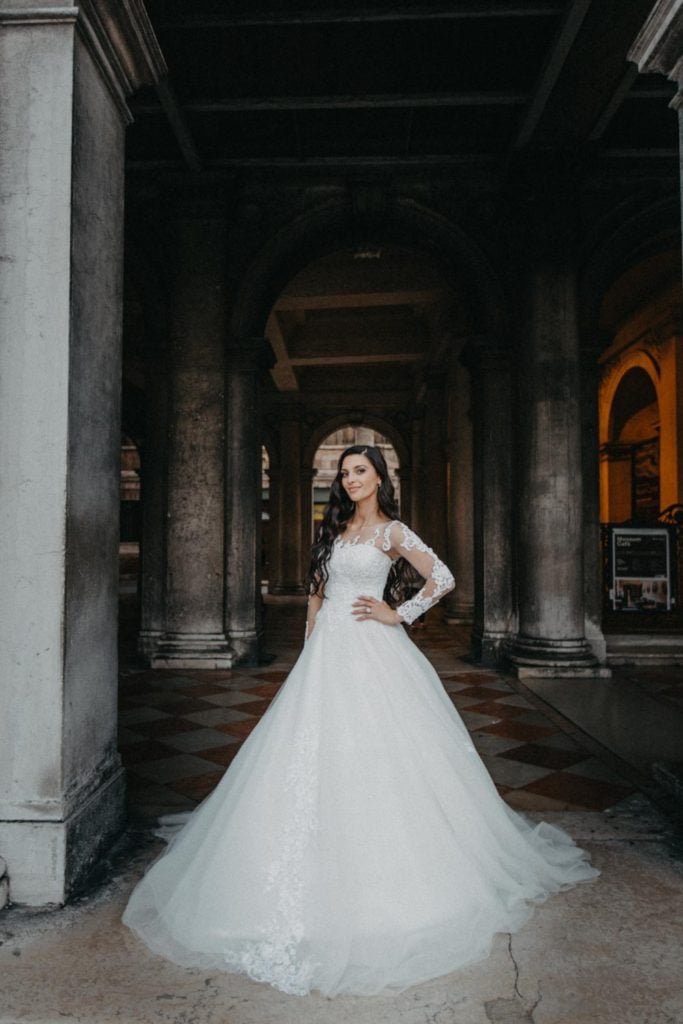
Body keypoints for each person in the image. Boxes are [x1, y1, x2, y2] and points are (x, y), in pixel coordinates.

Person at [122, 445, 599, 997]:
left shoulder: (393, 532)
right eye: (345, 473)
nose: (350, 480)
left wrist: (398, 612)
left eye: (360, 472)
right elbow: (316, 595)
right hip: (326, 655)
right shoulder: (335, 531)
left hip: (375, 652)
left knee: (381, 756)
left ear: (379, 478)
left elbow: (441, 577)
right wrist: (307, 650)